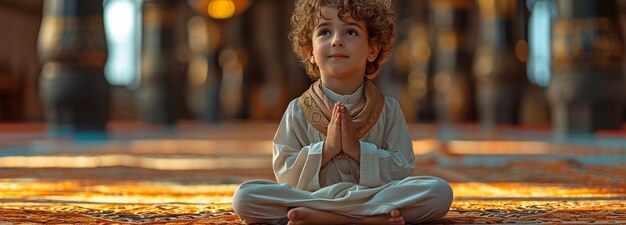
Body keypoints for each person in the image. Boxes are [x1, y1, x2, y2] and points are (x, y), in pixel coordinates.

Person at [232, 0, 453, 224]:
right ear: (310, 51)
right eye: (325, 32)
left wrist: (356, 150)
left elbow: (403, 169)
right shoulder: (298, 110)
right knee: (245, 197)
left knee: (438, 191)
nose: (337, 41)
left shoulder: (388, 109)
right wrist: (326, 149)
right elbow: (286, 173)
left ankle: (322, 218)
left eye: (350, 32)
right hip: (313, 197)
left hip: (371, 196)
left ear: (372, 50)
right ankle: (366, 220)